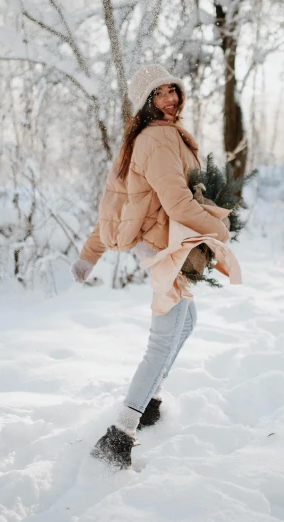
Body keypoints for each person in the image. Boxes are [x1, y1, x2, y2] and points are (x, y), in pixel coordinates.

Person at [69, 64, 230, 469]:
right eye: (158, 94)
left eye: (172, 90)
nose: (169, 99)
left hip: (161, 243)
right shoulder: (157, 139)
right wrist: (219, 227)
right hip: (164, 248)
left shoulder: (148, 136)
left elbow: (115, 205)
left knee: (186, 321)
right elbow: (177, 203)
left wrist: (90, 254)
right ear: (147, 103)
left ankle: (151, 401)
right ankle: (120, 433)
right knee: (164, 337)